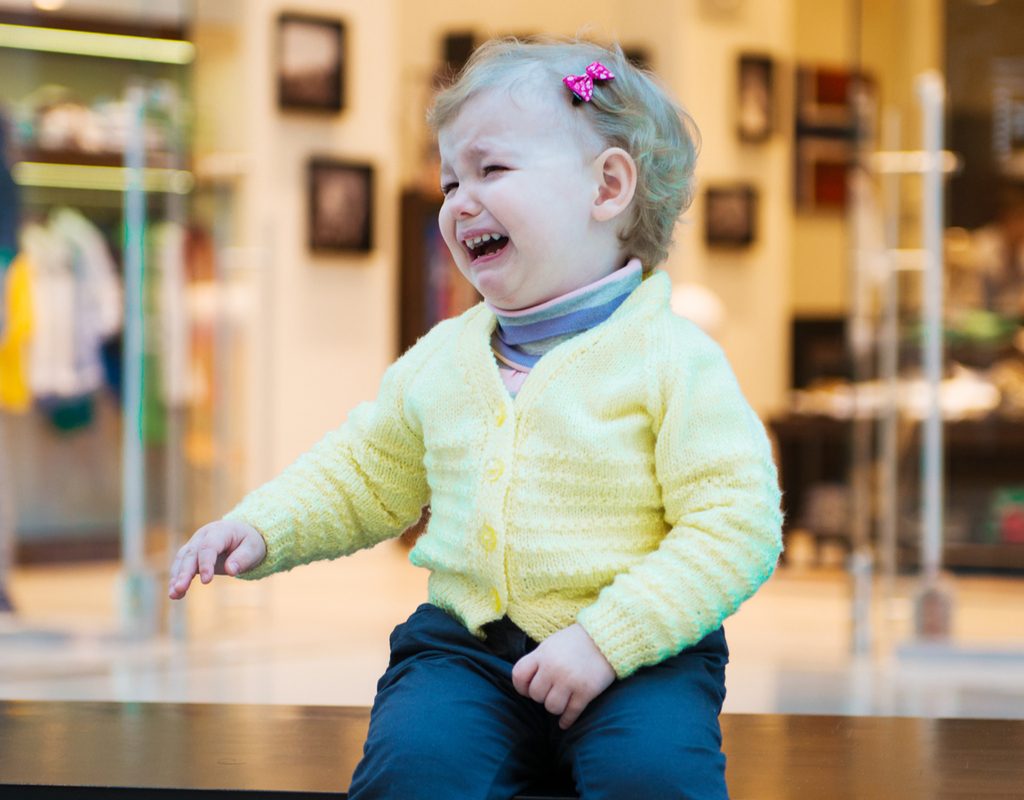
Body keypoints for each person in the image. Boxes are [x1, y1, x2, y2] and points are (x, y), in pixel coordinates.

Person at [168, 36, 783, 800]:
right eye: (450, 178)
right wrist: (261, 527)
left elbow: (738, 523)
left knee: (653, 778)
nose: (459, 200)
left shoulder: (674, 360)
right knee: (414, 770)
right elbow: (364, 474)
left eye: (491, 169)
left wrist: (605, 640)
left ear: (608, 187)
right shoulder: (442, 360)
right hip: (466, 652)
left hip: (639, 653)